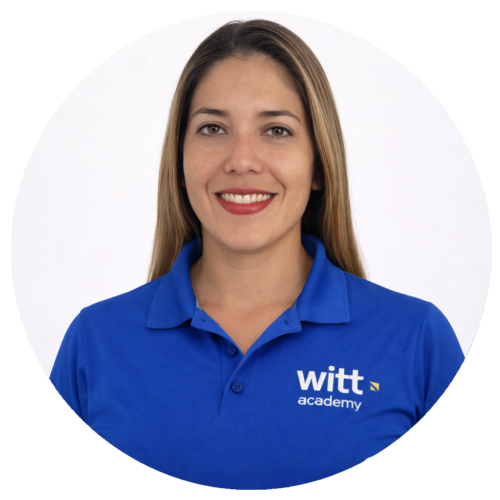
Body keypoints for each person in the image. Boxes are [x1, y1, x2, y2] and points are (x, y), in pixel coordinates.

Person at [50, 19, 464, 489]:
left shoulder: (416, 340)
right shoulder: (95, 343)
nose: (241, 160)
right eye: (212, 128)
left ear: (319, 164)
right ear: (180, 160)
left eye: (276, 130)